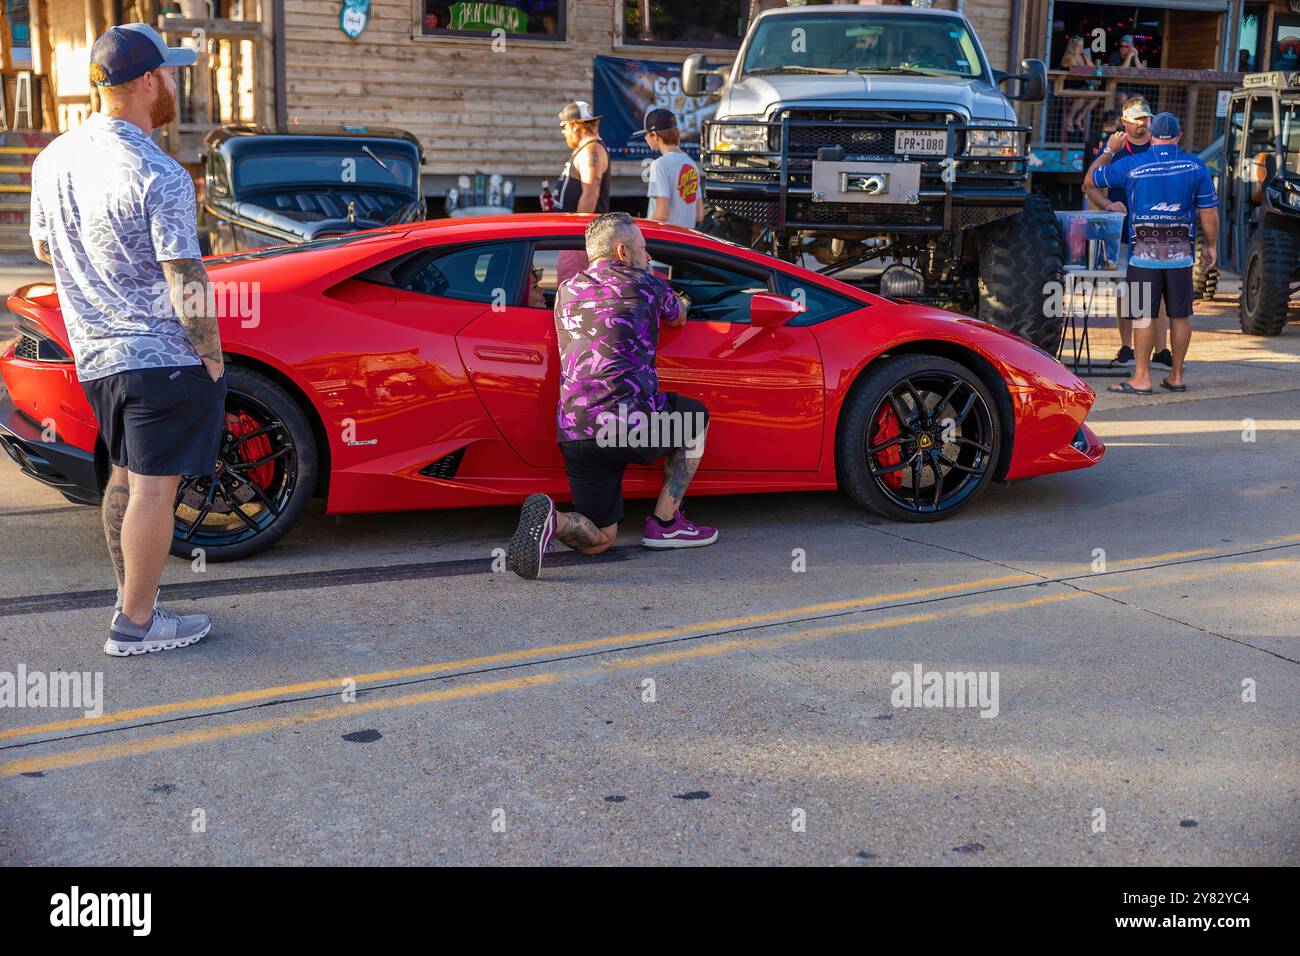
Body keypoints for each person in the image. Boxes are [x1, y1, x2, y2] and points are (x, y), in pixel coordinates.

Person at [29, 24, 223, 656]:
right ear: (147, 81)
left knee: (124, 477)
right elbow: (184, 274)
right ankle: (135, 624)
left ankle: (133, 601)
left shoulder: (52, 158)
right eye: (170, 73)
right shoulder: (159, 171)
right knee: (153, 489)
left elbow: (41, 246)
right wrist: (212, 355)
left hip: (96, 357)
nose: (173, 83)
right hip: (160, 357)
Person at [506, 212, 718, 580]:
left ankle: (553, 521)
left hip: (577, 435)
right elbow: (679, 315)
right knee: (694, 416)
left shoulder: (566, 292)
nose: (648, 256)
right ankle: (666, 523)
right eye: (644, 248)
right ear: (623, 251)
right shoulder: (646, 283)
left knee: (601, 538)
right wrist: (680, 296)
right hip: (633, 428)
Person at [1089, 113, 1219, 395]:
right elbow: (1208, 211)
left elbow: (1091, 179)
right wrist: (1211, 245)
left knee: (1143, 317)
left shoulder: (1132, 164)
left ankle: (1142, 378)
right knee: (1180, 316)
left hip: (1143, 255)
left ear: (1150, 136)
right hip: (1181, 254)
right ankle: (1175, 376)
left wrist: (1110, 149)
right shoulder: (1195, 166)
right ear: (1179, 136)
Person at [1083, 96, 1172, 369]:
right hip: (1122, 231)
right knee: (1125, 289)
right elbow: (1089, 185)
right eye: (1136, 120)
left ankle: (1162, 351)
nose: (1142, 125)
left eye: (1146, 119)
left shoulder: (1160, 146)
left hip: (1155, 231)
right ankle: (1126, 347)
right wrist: (1109, 205)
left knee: (1158, 291)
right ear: (1124, 122)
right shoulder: (1115, 148)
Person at [554, 100, 611, 283]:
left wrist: (577, 234)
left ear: (575, 125)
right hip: (575, 238)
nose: (563, 132)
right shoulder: (587, 149)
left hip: (579, 240)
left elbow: (591, 192)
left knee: (572, 291)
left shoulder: (591, 150)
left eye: (564, 126)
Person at [633, 108, 704, 230]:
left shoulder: (659, 164)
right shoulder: (691, 164)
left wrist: (639, 227)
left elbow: (662, 214)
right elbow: (699, 215)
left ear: (654, 135)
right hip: (687, 242)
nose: (645, 138)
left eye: (646, 134)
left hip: (666, 242)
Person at [1060, 36, 1096, 137]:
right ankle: (1069, 118)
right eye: (1078, 45)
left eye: (1082, 45)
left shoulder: (1084, 56)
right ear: (1073, 46)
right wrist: (1076, 54)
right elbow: (1077, 71)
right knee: (1080, 99)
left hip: (1081, 87)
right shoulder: (1070, 57)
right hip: (1069, 86)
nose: (1080, 48)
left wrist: (1085, 58)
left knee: (1096, 98)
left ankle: (1079, 118)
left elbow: (1093, 69)